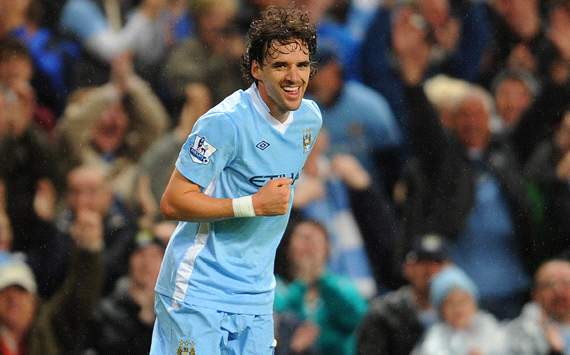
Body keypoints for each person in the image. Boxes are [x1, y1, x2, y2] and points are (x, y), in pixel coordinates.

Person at [150, 6, 322, 354]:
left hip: (256, 296)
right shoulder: (224, 123)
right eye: (280, 65)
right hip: (198, 290)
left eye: (301, 65)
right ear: (256, 68)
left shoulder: (309, 120)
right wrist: (251, 205)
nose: (294, 77)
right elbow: (172, 201)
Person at [274, 219, 367, 355]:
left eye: (314, 238)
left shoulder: (342, 285)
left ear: (327, 249)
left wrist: (323, 279)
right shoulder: (276, 286)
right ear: (289, 249)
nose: (308, 244)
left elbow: (361, 319)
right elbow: (277, 316)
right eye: (302, 237)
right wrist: (302, 283)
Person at [356, 234, 450, 355]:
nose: (429, 271)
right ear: (407, 268)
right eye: (422, 263)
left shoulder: (463, 310)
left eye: (437, 263)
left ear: (450, 268)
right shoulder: (383, 313)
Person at [412, 265, 506, 355]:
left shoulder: (487, 325)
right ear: (441, 311)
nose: (458, 308)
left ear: (474, 304)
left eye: (463, 301)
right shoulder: (436, 336)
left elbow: (504, 349)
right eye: (450, 304)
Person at [505, 259, 570, 355]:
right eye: (549, 284)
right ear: (535, 294)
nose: (558, 291)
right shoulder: (516, 333)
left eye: (566, 283)